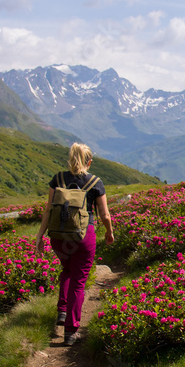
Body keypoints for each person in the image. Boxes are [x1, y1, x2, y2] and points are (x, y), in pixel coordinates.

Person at [36, 143, 114, 346]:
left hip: (58, 236)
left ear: (70, 158)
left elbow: (48, 210)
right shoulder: (95, 182)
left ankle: (62, 311)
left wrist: (40, 236)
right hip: (83, 237)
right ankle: (71, 331)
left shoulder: (58, 179)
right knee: (79, 281)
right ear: (89, 162)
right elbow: (105, 215)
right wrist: (109, 232)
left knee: (67, 270)